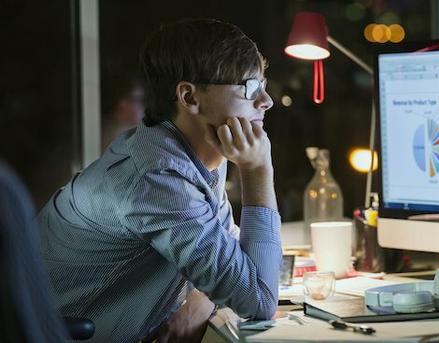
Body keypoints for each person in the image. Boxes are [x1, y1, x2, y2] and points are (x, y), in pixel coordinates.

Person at [36, 18, 280, 342]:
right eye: (249, 87)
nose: (266, 100)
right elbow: (259, 300)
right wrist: (258, 170)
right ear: (190, 97)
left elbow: (230, 253)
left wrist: (199, 301)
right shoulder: (157, 177)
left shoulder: (192, 151)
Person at [101, 71, 145, 151]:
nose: (141, 107)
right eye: (136, 100)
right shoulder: (116, 134)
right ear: (122, 103)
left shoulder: (132, 130)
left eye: (141, 100)